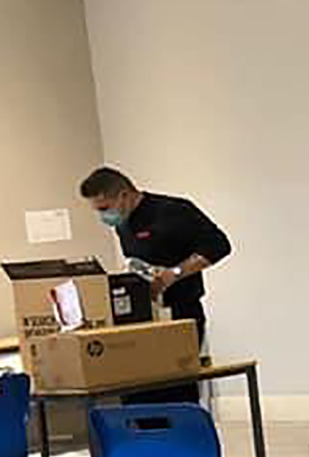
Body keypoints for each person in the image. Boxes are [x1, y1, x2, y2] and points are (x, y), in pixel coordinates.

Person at [80, 166, 232, 403]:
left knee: (175, 392)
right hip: (144, 319)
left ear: (124, 195)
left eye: (104, 208)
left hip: (181, 314)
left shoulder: (173, 211)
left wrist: (175, 273)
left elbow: (219, 246)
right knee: (137, 392)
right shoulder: (123, 224)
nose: (103, 216)